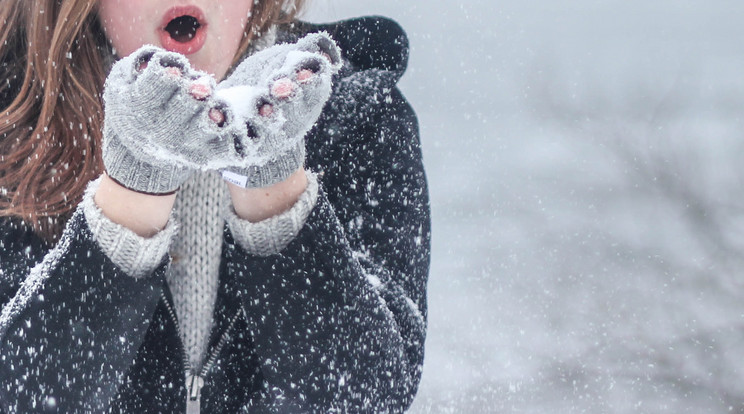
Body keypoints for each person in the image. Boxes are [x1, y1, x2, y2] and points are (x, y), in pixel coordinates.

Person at [0, 0, 430, 412]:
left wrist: (275, 185)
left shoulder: (359, 119)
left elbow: (368, 396)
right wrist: (133, 191)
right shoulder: (11, 131)